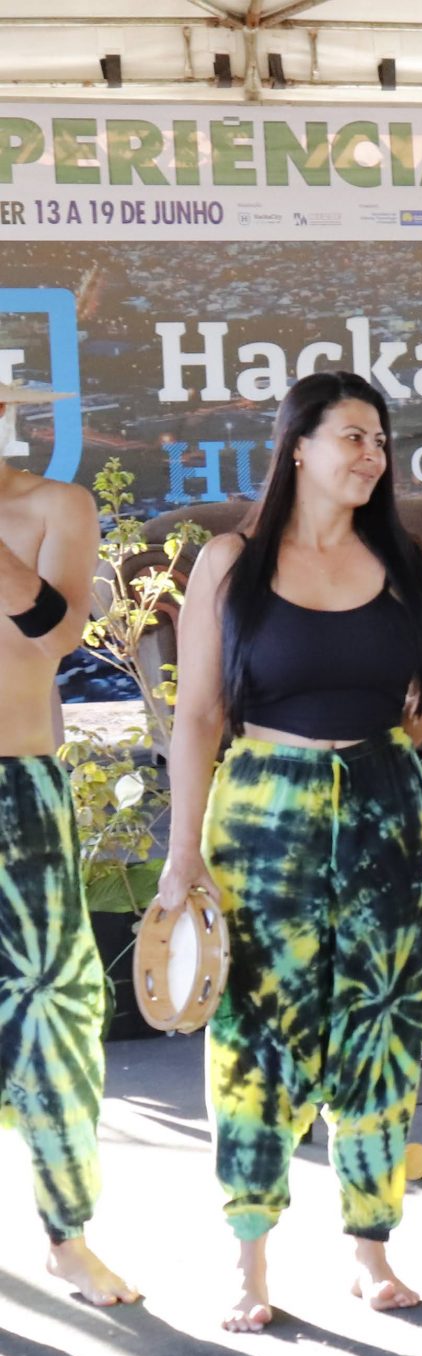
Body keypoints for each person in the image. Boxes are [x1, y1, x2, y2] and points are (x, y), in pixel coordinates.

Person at [157, 372, 422, 1331]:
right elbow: (197, 716)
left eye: (381, 439)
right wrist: (182, 856)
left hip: (386, 814)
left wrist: (371, 767)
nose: (372, 454)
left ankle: (371, 1251)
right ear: (298, 446)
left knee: (381, 1026)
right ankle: (250, 1259)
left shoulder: (408, 560)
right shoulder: (230, 561)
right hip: (262, 816)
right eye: (353, 436)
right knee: (255, 1033)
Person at [0, 380, 130, 1305]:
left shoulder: (55, 506)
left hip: (19, 786)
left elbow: (57, 636)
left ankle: (66, 1235)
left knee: (55, 1010)